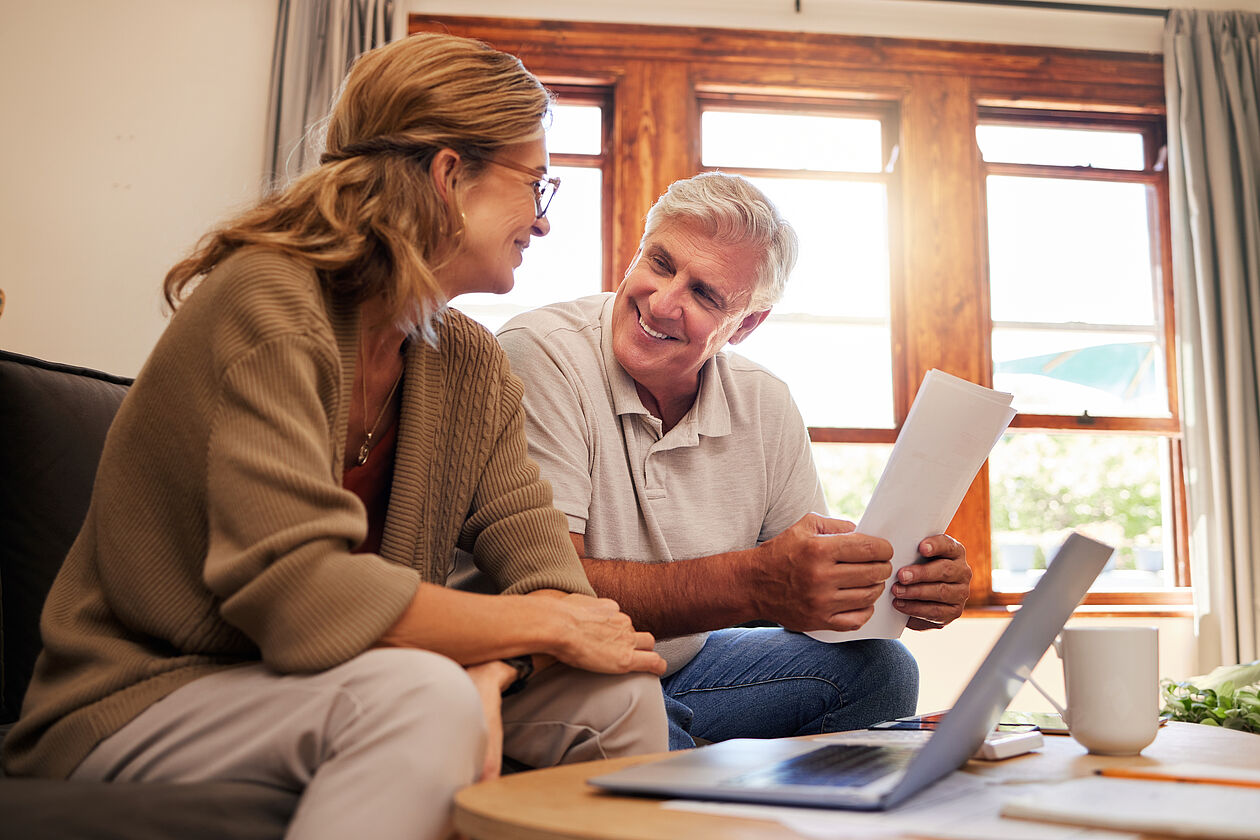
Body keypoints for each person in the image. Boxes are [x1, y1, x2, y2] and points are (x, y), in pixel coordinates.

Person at [1, 33, 668, 840]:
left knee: (621, 692)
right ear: (451, 176)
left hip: (334, 680)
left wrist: (500, 663)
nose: (544, 221)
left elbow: (550, 580)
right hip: (151, 692)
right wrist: (535, 633)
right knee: (426, 698)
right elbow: (301, 597)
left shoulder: (470, 364)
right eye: (536, 185)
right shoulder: (267, 302)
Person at [496, 172, 971, 750]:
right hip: (548, 675)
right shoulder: (541, 353)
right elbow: (554, 592)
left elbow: (804, 603)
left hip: (679, 670)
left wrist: (903, 587)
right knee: (646, 723)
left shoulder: (765, 402)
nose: (664, 303)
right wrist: (754, 583)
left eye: (705, 294)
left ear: (745, 325)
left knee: (883, 667)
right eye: (661, 263)